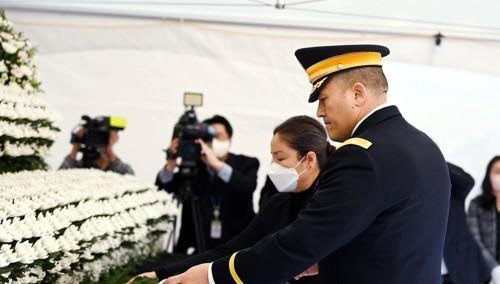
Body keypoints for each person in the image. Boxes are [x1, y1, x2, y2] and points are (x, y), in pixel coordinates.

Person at [165, 44, 451, 284]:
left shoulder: (361, 156)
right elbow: (391, 237)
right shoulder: (425, 146)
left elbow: (304, 241)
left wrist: (213, 275)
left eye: (324, 98)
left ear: (358, 94)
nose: (319, 111)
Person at [128, 115, 333, 284]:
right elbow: (230, 249)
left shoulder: (332, 205)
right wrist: (161, 273)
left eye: (280, 158)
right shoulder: (278, 203)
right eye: (272, 158)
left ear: (309, 160)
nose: (274, 166)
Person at [155, 115, 259, 253]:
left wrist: (216, 165)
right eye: (209, 137)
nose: (213, 141)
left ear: (229, 138)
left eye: (218, 136)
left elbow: (247, 187)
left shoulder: (246, 163)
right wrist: (171, 162)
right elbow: (164, 187)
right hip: (198, 247)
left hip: (237, 246)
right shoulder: (193, 166)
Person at [442, 163, 489, 284]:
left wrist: (437, 161)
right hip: (430, 274)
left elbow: (468, 182)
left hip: (464, 267)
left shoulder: (450, 186)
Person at [467, 156, 500, 284]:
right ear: (489, 175)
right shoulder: (476, 204)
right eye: (497, 172)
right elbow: (475, 239)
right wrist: (494, 268)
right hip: (486, 273)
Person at [59, 126, 134, 175]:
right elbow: (60, 175)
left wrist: (109, 150)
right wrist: (76, 146)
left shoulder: (123, 169)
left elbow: (129, 177)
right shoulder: (81, 167)